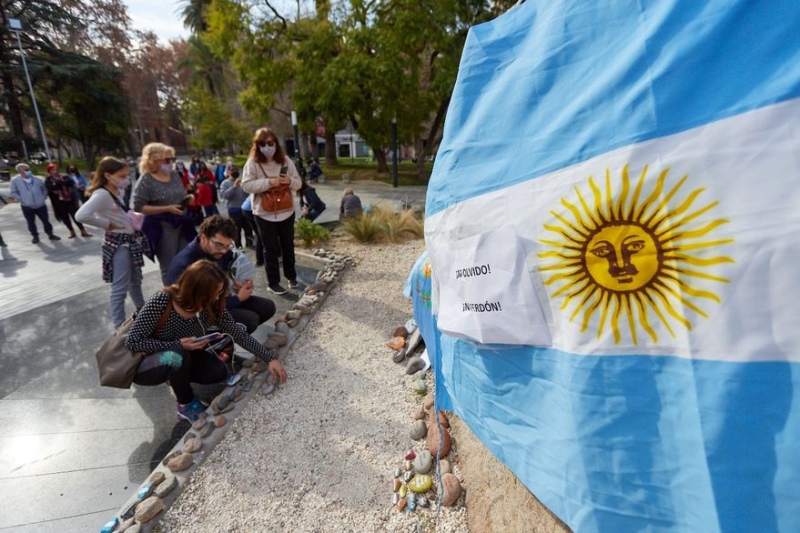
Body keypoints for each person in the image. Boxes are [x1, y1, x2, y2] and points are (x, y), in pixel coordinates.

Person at [126, 260, 287, 422]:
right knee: (177, 356)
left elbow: (238, 334)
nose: (218, 297)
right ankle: (185, 404)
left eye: (219, 292)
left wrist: (269, 358)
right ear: (196, 290)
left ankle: (177, 376)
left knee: (218, 372)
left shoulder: (213, 305)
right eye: (214, 293)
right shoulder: (162, 301)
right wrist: (178, 344)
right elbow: (133, 342)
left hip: (185, 352)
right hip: (150, 360)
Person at [166, 215, 276, 334]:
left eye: (228, 246)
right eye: (219, 245)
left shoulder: (218, 251)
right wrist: (238, 299)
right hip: (197, 316)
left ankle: (230, 336)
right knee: (249, 319)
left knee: (267, 307)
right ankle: (216, 343)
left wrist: (241, 282)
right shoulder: (183, 266)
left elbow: (230, 262)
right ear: (203, 237)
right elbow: (193, 309)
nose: (223, 250)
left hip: (220, 299)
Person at [76, 157, 151, 328]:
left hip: (130, 242)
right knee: (120, 288)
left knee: (135, 281)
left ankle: (143, 311)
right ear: (108, 175)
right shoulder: (102, 194)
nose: (126, 179)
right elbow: (81, 215)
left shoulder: (118, 191)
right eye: (122, 176)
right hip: (119, 245)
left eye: (127, 175)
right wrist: (107, 224)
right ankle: (119, 327)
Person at [241, 127, 302, 295]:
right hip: (264, 212)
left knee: (288, 246)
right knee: (270, 248)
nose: (267, 147)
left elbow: (298, 183)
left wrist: (289, 180)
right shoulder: (252, 163)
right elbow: (246, 185)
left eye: (270, 143)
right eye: (262, 144)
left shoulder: (286, 161)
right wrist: (269, 183)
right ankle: (273, 282)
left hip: (286, 210)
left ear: (276, 143)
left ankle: (291, 276)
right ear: (257, 145)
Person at [132, 142, 197, 284]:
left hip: (182, 222)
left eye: (173, 159)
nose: (171, 163)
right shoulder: (146, 180)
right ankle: (171, 298)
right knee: (169, 265)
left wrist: (187, 198)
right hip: (162, 226)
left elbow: (178, 195)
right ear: (153, 160)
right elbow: (138, 206)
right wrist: (166, 209)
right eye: (167, 160)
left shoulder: (174, 175)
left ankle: (186, 293)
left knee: (186, 261)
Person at [9, 163, 61, 243]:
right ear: (20, 171)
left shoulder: (37, 179)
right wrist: (22, 199)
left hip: (40, 205)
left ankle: (50, 234)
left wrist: (43, 198)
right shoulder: (15, 181)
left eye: (28, 169)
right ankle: (35, 236)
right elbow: (13, 192)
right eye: (26, 170)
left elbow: (44, 189)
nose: (28, 171)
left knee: (45, 220)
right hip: (27, 206)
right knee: (30, 222)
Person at [45, 163, 93, 239]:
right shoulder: (48, 180)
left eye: (56, 169)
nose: (55, 171)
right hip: (59, 202)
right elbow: (50, 188)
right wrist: (60, 184)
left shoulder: (65, 177)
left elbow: (70, 182)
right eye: (52, 170)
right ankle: (71, 231)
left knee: (75, 215)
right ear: (49, 171)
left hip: (70, 200)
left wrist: (58, 184)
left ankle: (83, 230)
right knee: (65, 217)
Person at [220, 167, 248, 248]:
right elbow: (224, 195)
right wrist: (234, 187)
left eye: (236, 170)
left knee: (248, 229)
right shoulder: (225, 183)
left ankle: (249, 244)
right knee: (236, 229)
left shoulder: (243, 181)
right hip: (234, 210)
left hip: (245, 209)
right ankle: (238, 245)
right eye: (232, 170)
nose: (234, 171)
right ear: (228, 172)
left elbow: (248, 194)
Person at [241, 195, 263, 265]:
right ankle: (260, 259)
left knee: (260, 234)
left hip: (246, 208)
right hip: (251, 209)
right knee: (261, 234)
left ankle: (260, 259)